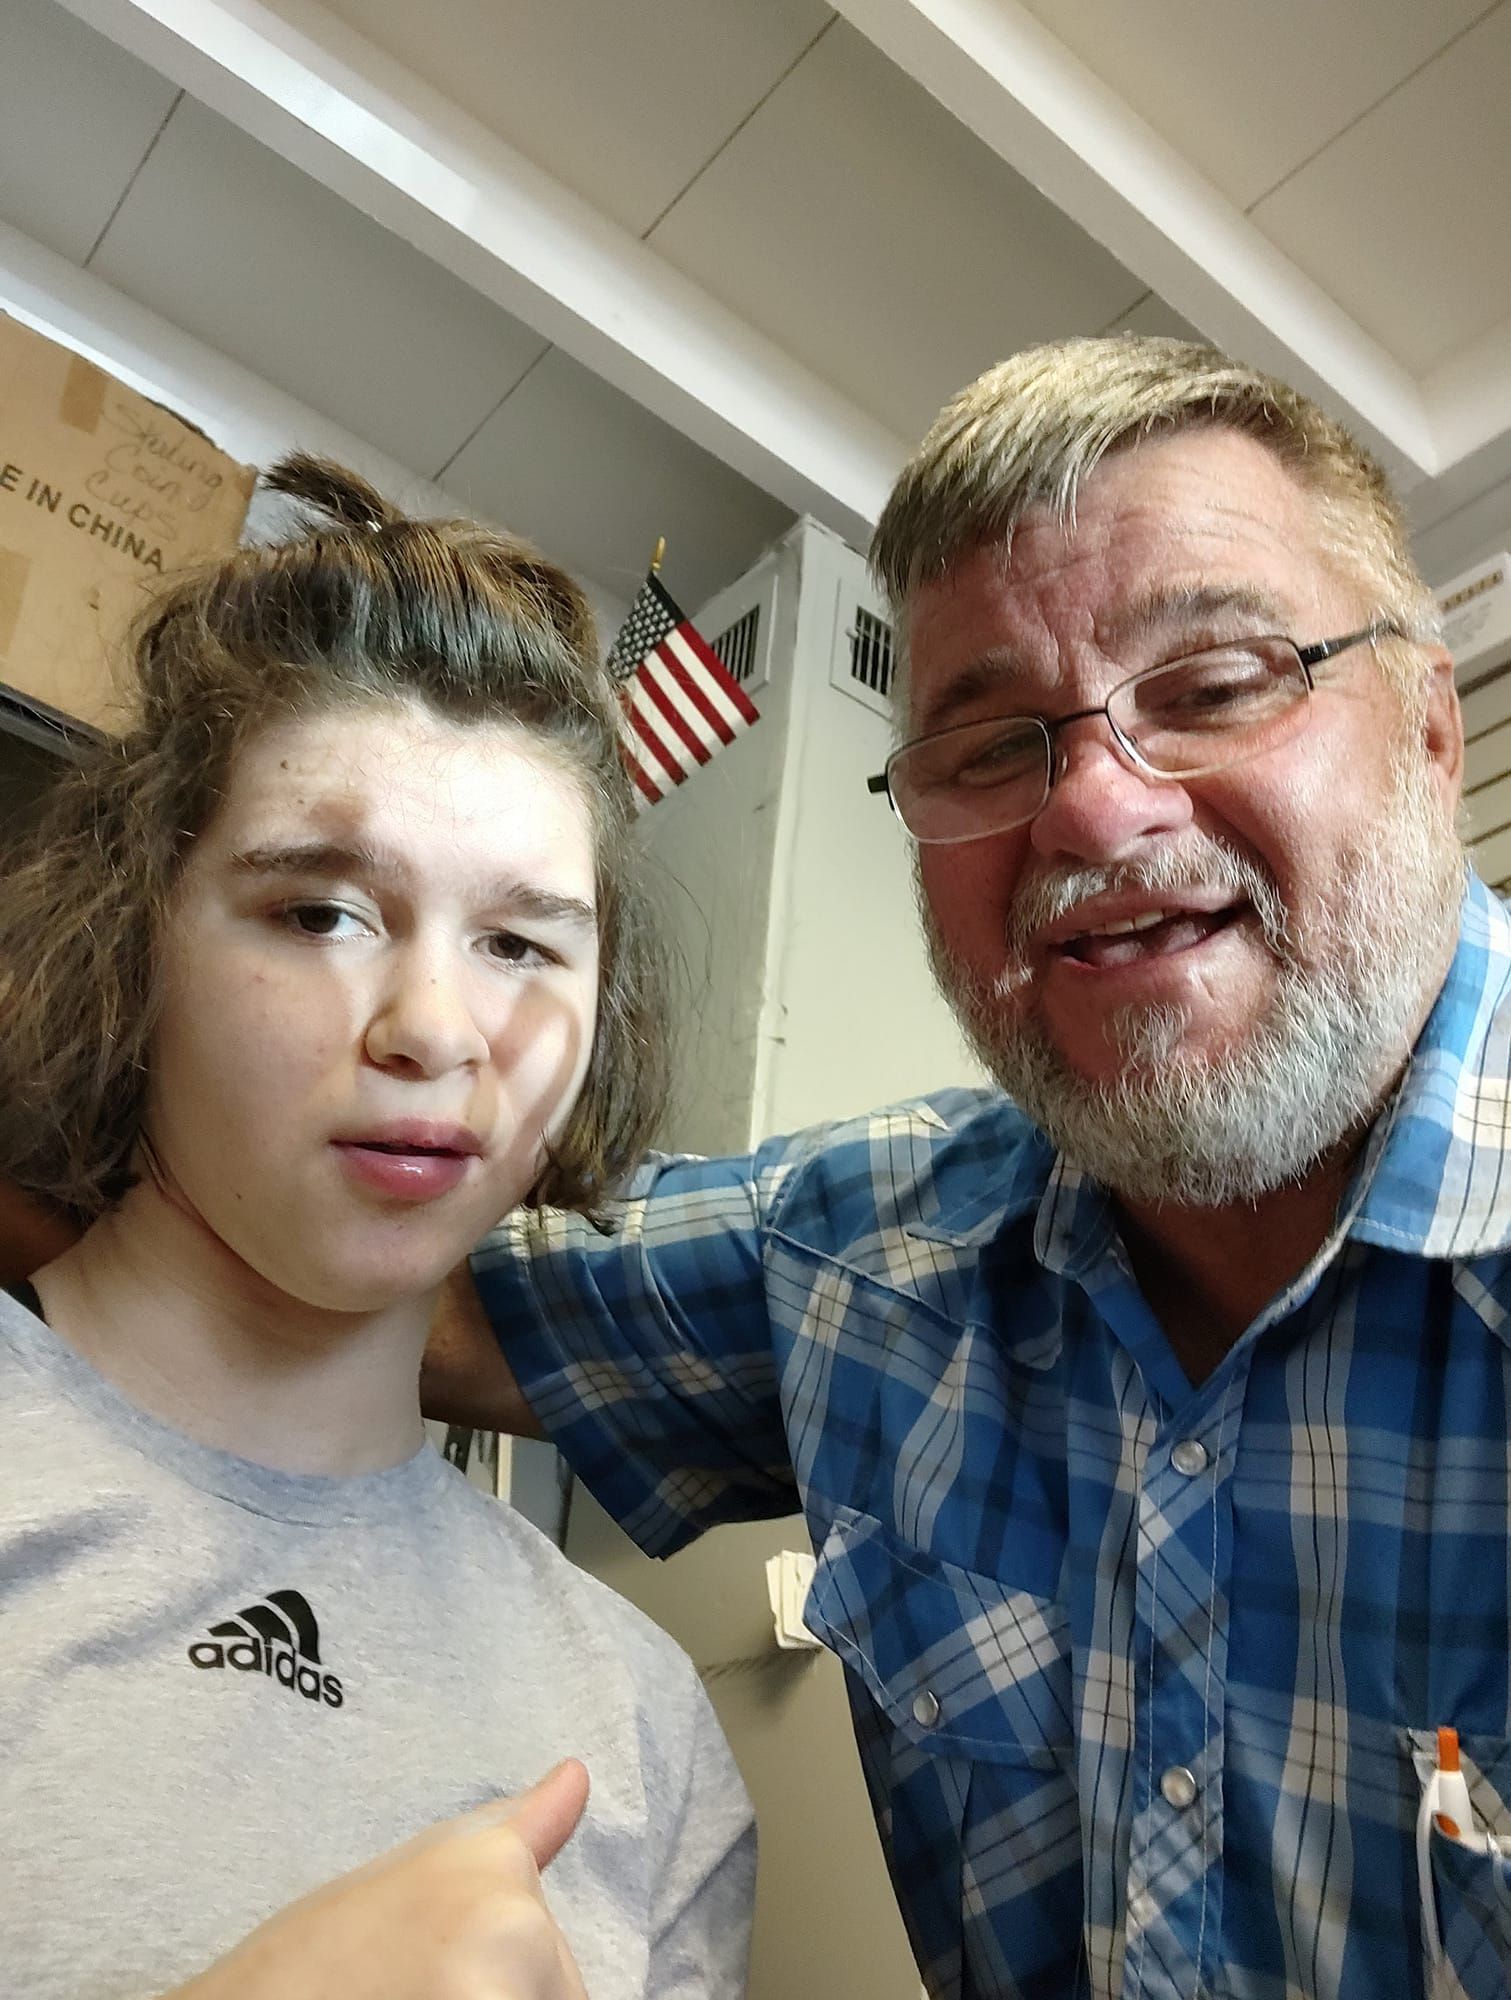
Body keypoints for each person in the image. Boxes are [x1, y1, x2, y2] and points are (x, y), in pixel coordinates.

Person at [424, 338, 1511, 1999]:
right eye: (991, 746)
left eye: (1212, 683)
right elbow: (401, 1285)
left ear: (1432, 728)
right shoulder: (866, 1260)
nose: (1088, 807)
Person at [0, 456, 754, 2000]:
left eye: (520, 942)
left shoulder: (643, 1729)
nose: (434, 1028)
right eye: (320, 912)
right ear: (131, 934)